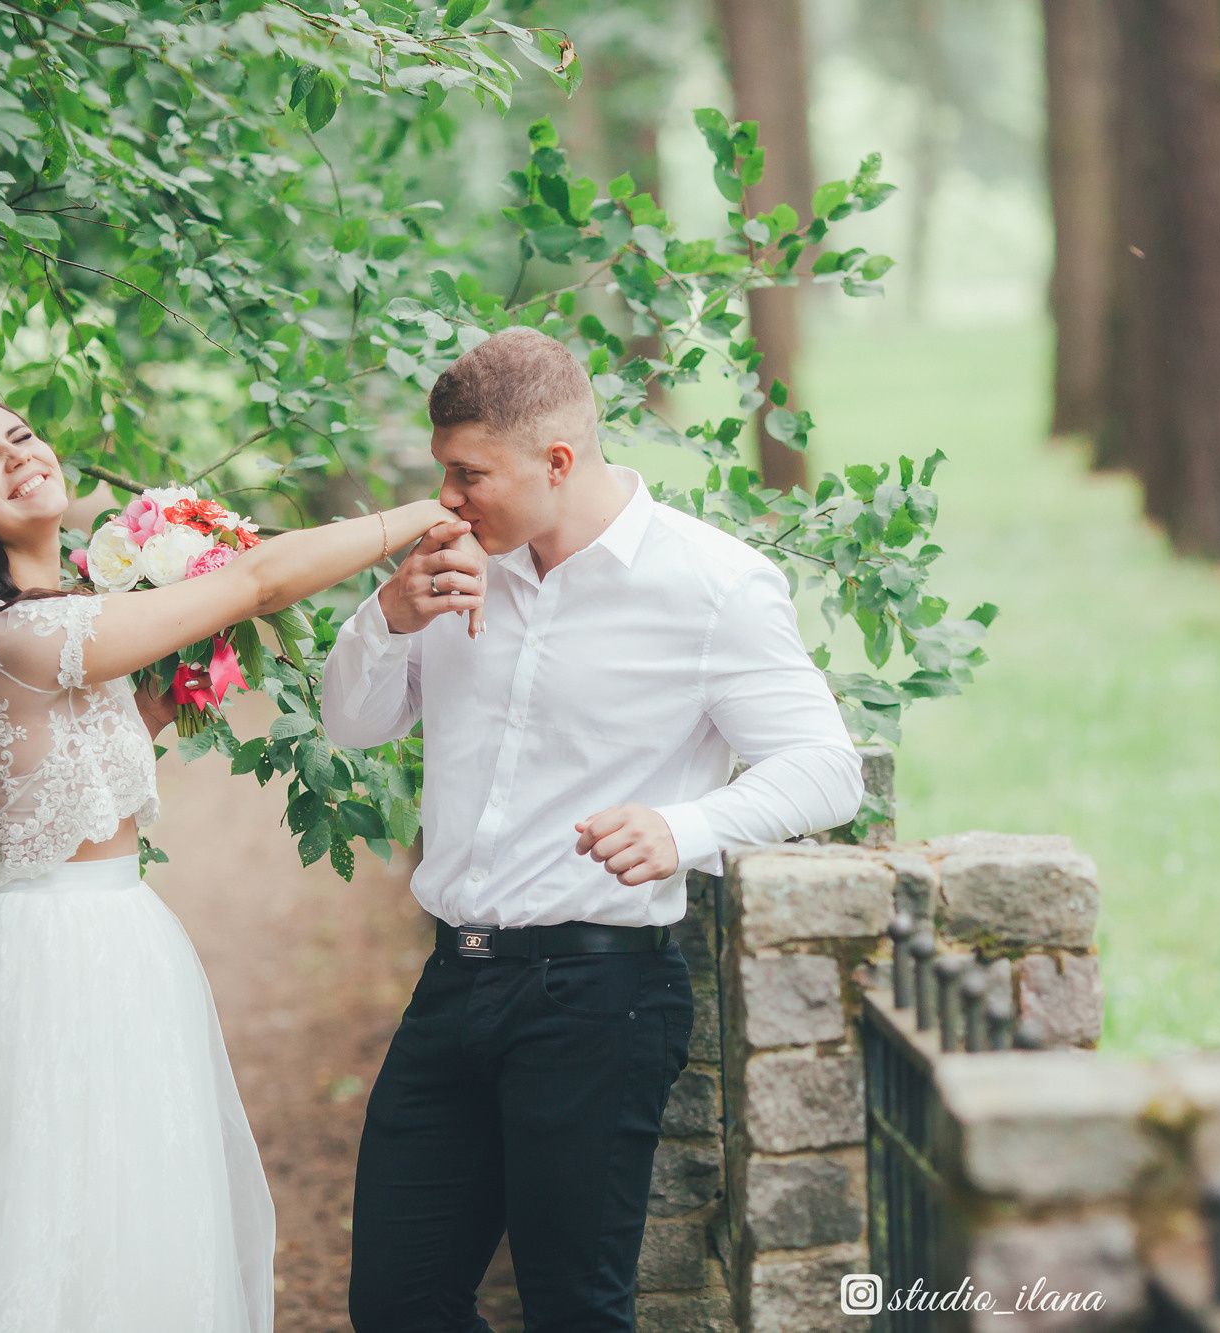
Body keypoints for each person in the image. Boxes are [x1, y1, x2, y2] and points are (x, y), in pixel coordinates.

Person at [0, 389, 483, 1333]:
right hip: (55, 956)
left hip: (120, 936)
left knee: (126, 1205)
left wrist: (173, 681)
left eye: (23, 434)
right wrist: (417, 518)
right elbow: (257, 582)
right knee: (45, 1214)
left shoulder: (62, 618)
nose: (22, 455)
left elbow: (95, 752)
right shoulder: (9, 631)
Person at [322, 328, 866, 1333]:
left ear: (556, 462)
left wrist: (685, 825)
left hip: (596, 993)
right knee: (398, 1300)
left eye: (466, 474)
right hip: (454, 982)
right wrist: (386, 617)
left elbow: (823, 765)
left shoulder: (710, 583)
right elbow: (350, 723)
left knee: (575, 1309)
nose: (445, 498)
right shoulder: (448, 567)